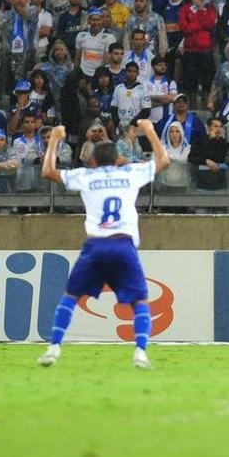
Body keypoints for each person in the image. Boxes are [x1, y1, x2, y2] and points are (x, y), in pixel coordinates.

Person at [36, 119, 169, 370]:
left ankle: (54, 348)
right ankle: (140, 352)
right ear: (118, 157)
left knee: (71, 296)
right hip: (124, 245)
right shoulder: (130, 172)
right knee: (139, 301)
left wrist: (54, 139)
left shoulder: (86, 175)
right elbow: (163, 161)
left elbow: (48, 172)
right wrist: (150, 131)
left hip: (96, 246)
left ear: (93, 160)